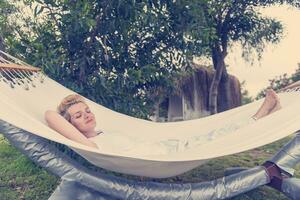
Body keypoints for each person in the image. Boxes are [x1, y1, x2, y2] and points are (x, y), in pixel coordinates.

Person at [45, 88, 284, 150]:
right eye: (78, 115)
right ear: (70, 125)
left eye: (87, 110)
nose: (87, 115)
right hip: (170, 154)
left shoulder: (102, 134)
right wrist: (66, 117)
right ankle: (261, 114)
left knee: (218, 130)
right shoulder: (90, 144)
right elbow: (50, 116)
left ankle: (265, 115)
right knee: (221, 134)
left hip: (171, 145)